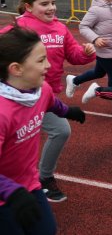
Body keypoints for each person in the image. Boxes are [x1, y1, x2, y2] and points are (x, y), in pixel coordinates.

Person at [1, 0, 95, 202]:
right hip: (18, 98)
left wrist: (87, 53)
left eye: (53, 3)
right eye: (44, 4)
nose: (51, 8)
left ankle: (35, 180)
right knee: (50, 133)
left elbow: (74, 56)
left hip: (46, 96)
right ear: (28, 6)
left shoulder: (60, 28)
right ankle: (31, 182)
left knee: (47, 134)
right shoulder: (18, 30)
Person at [0, 27, 86, 234]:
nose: (48, 65)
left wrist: (68, 111)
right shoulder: (2, 112)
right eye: (40, 61)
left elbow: (51, 103)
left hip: (28, 184)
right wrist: (11, 192)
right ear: (16, 69)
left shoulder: (41, 89)